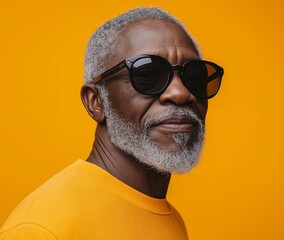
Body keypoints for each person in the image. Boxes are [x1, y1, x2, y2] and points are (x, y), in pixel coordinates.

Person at [0, 7, 223, 239]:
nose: (181, 93)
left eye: (194, 77)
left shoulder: (171, 219)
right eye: (146, 75)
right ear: (96, 102)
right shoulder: (43, 229)